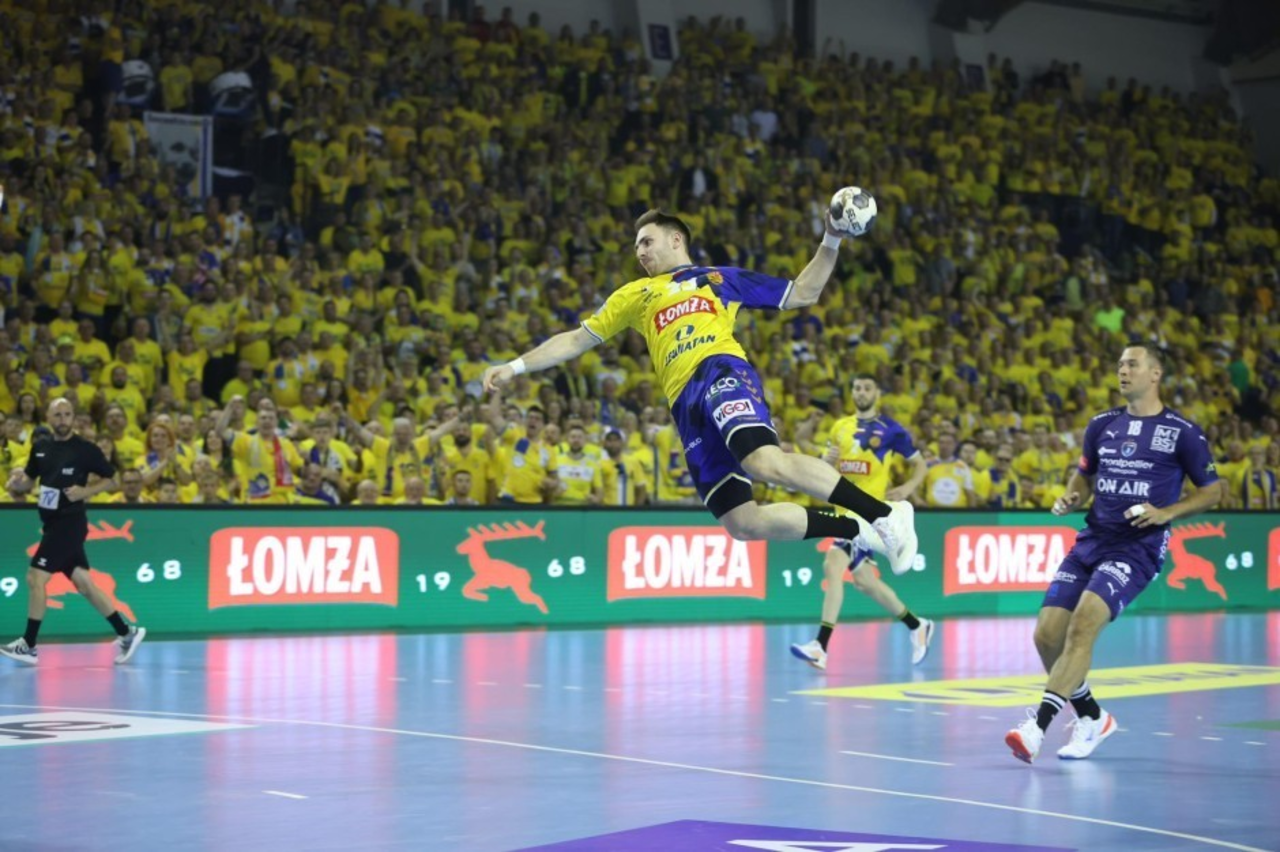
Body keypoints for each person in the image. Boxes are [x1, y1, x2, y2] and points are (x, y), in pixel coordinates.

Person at [483, 209, 917, 567]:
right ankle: (858, 530)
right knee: (743, 524)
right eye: (636, 247)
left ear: (676, 239)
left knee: (763, 461)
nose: (640, 252)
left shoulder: (718, 278)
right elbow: (577, 339)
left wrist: (832, 237)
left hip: (719, 370)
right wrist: (515, 366)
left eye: (647, 241)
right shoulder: (634, 295)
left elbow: (803, 293)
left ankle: (883, 513)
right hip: (684, 405)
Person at [1005, 345, 1221, 763]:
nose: (1123, 370)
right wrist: (1073, 495)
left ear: (1155, 373)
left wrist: (1167, 513)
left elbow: (1213, 491)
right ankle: (1092, 717)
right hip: (1092, 539)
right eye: (1120, 364)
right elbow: (1084, 475)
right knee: (1046, 636)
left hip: (1138, 546)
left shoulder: (1183, 432)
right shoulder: (1101, 424)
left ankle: (1036, 728)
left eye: (1132, 364)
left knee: (1083, 625)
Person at [790, 375, 933, 671]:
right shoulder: (840, 427)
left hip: (868, 518)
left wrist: (907, 488)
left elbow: (920, 464)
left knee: (833, 565)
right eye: (857, 388)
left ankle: (820, 646)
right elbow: (824, 465)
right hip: (843, 513)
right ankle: (917, 625)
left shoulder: (891, 430)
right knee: (867, 583)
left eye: (867, 388)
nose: (862, 392)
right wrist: (827, 458)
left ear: (877, 393)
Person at [0, 398, 146, 666]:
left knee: (35, 577)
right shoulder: (40, 448)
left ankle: (28, 645)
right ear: (48, 417)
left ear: (73, 418)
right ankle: (127, 632)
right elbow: (28, 482)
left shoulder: (85, 449)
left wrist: (85, 492)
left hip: (70, 523)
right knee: (85, 585)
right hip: (51, 523)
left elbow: (112, 479)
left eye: (67, 414)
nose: (63, 419)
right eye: (58, 415)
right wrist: (15, 484)